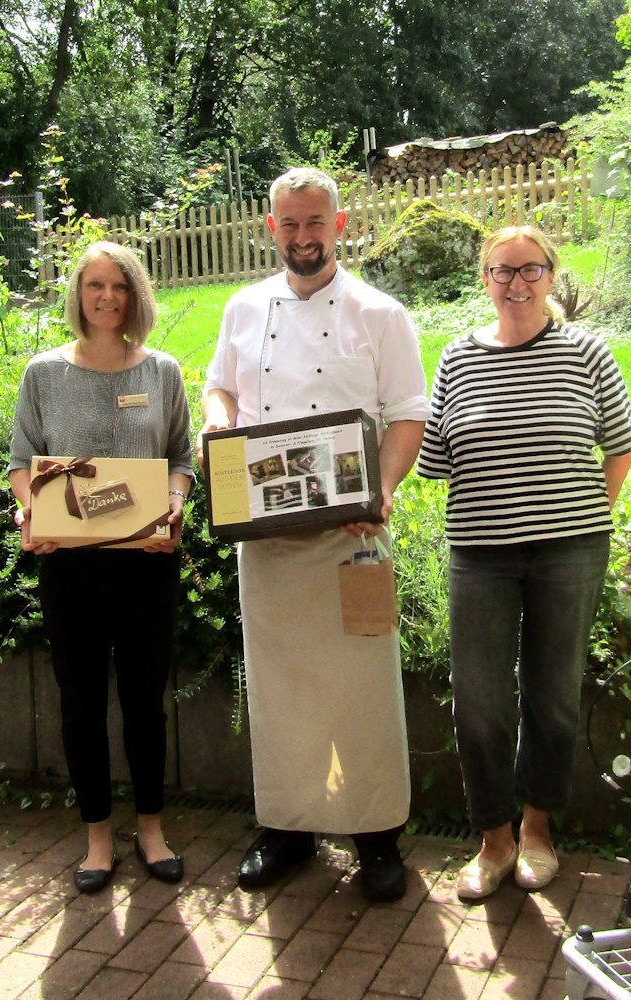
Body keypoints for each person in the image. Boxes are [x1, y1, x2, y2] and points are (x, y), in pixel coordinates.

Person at [201, 166, 428, 902]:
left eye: (315, 223)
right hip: (266, 535)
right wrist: (218, 423)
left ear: (340, 224)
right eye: (289, 224)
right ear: (272, 228)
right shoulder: (241, 308)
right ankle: (288, 831)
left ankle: (377, 836)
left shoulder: (380, 312)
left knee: (364, 689)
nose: (303, 237)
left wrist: (384, 491)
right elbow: (220, 386)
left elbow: (407, 415)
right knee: (279, 689)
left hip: (353, 532)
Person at [417, 225, 631, 899]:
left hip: (570, 551)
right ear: (484, 280)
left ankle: (538, 830)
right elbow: (437, 461)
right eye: (502, 271)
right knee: (479, 704)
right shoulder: (456, 359)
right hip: (480, 554)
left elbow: (620, 446)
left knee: (553, 696)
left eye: (531, 270)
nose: (516, 283)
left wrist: (578, 516)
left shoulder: (587, 353)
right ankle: (493, 840)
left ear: (551, 276)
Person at [8, 241, 195, 891]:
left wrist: (173, 508)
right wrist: (29, 514)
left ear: (135, 293)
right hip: (70, 566)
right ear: (77, 294)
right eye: (94, 285)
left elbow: (181, 459)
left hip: (147, 563)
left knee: (146, 701)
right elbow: (21, 463)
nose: (107, 297)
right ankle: (95, 838)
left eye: (118, 285)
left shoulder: (162, 371)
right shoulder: (43, 373)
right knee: (80, 703)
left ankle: (150, 828)